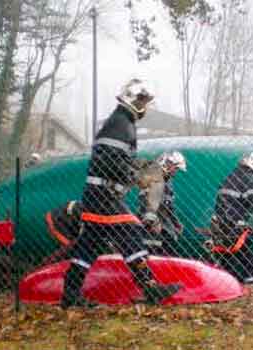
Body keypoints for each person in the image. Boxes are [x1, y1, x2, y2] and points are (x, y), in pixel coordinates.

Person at [60, 78, 180, 308]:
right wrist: (136, 176)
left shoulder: (121, 122)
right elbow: (109, 162)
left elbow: (116, 159)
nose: (145, 105)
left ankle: (70, 294)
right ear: (132, 99)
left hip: (99, 193)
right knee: (130, 228)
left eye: (146, 101)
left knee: (88, 245)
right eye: (143, 100)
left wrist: (140, 168)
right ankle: (149, 287)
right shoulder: (121, 123)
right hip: (104, 195)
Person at [210, 152, 253, 284]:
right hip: (239, 226)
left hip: (222, 226)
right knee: (251, 253)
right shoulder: (251, 180)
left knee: (228, 256)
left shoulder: (229, 178)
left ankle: (226, 284)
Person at [136, 151, 187, 256]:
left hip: (157, 225)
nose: (175, 172)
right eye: (176, 168)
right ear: (167, 163)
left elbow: (168, 205)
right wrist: (174, 223)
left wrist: (176, 222)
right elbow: (148, 202)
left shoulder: (163, 179)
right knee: (158, 251)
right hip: (154, 226)